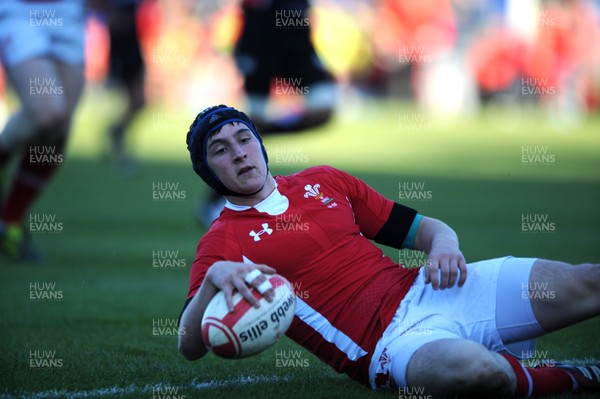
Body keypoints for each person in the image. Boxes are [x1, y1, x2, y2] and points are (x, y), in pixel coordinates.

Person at [178, 105, 600, 397]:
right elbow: (189, 344)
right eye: (220, 150)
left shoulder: (324, 181)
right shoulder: (222, 241)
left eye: (243, 138)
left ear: (260, 143)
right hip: (389, 345)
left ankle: (503, 350)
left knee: (588, 281)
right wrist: (212, 281)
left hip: (434, 288)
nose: (239, 153)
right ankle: (574, 377)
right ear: (209, 172)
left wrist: (445, 246)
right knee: (476, 373)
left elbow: (422, 228)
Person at [197, 0, 337, 227]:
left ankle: (260, 132)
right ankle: (218, 200)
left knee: (324, 110)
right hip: (261, 39)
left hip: (297, 41)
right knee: (255, 121)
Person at [0, 0, 87, 261]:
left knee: (59, 130)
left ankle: (8, 222)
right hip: (20, 10)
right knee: (48, 111)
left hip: (68, 12)